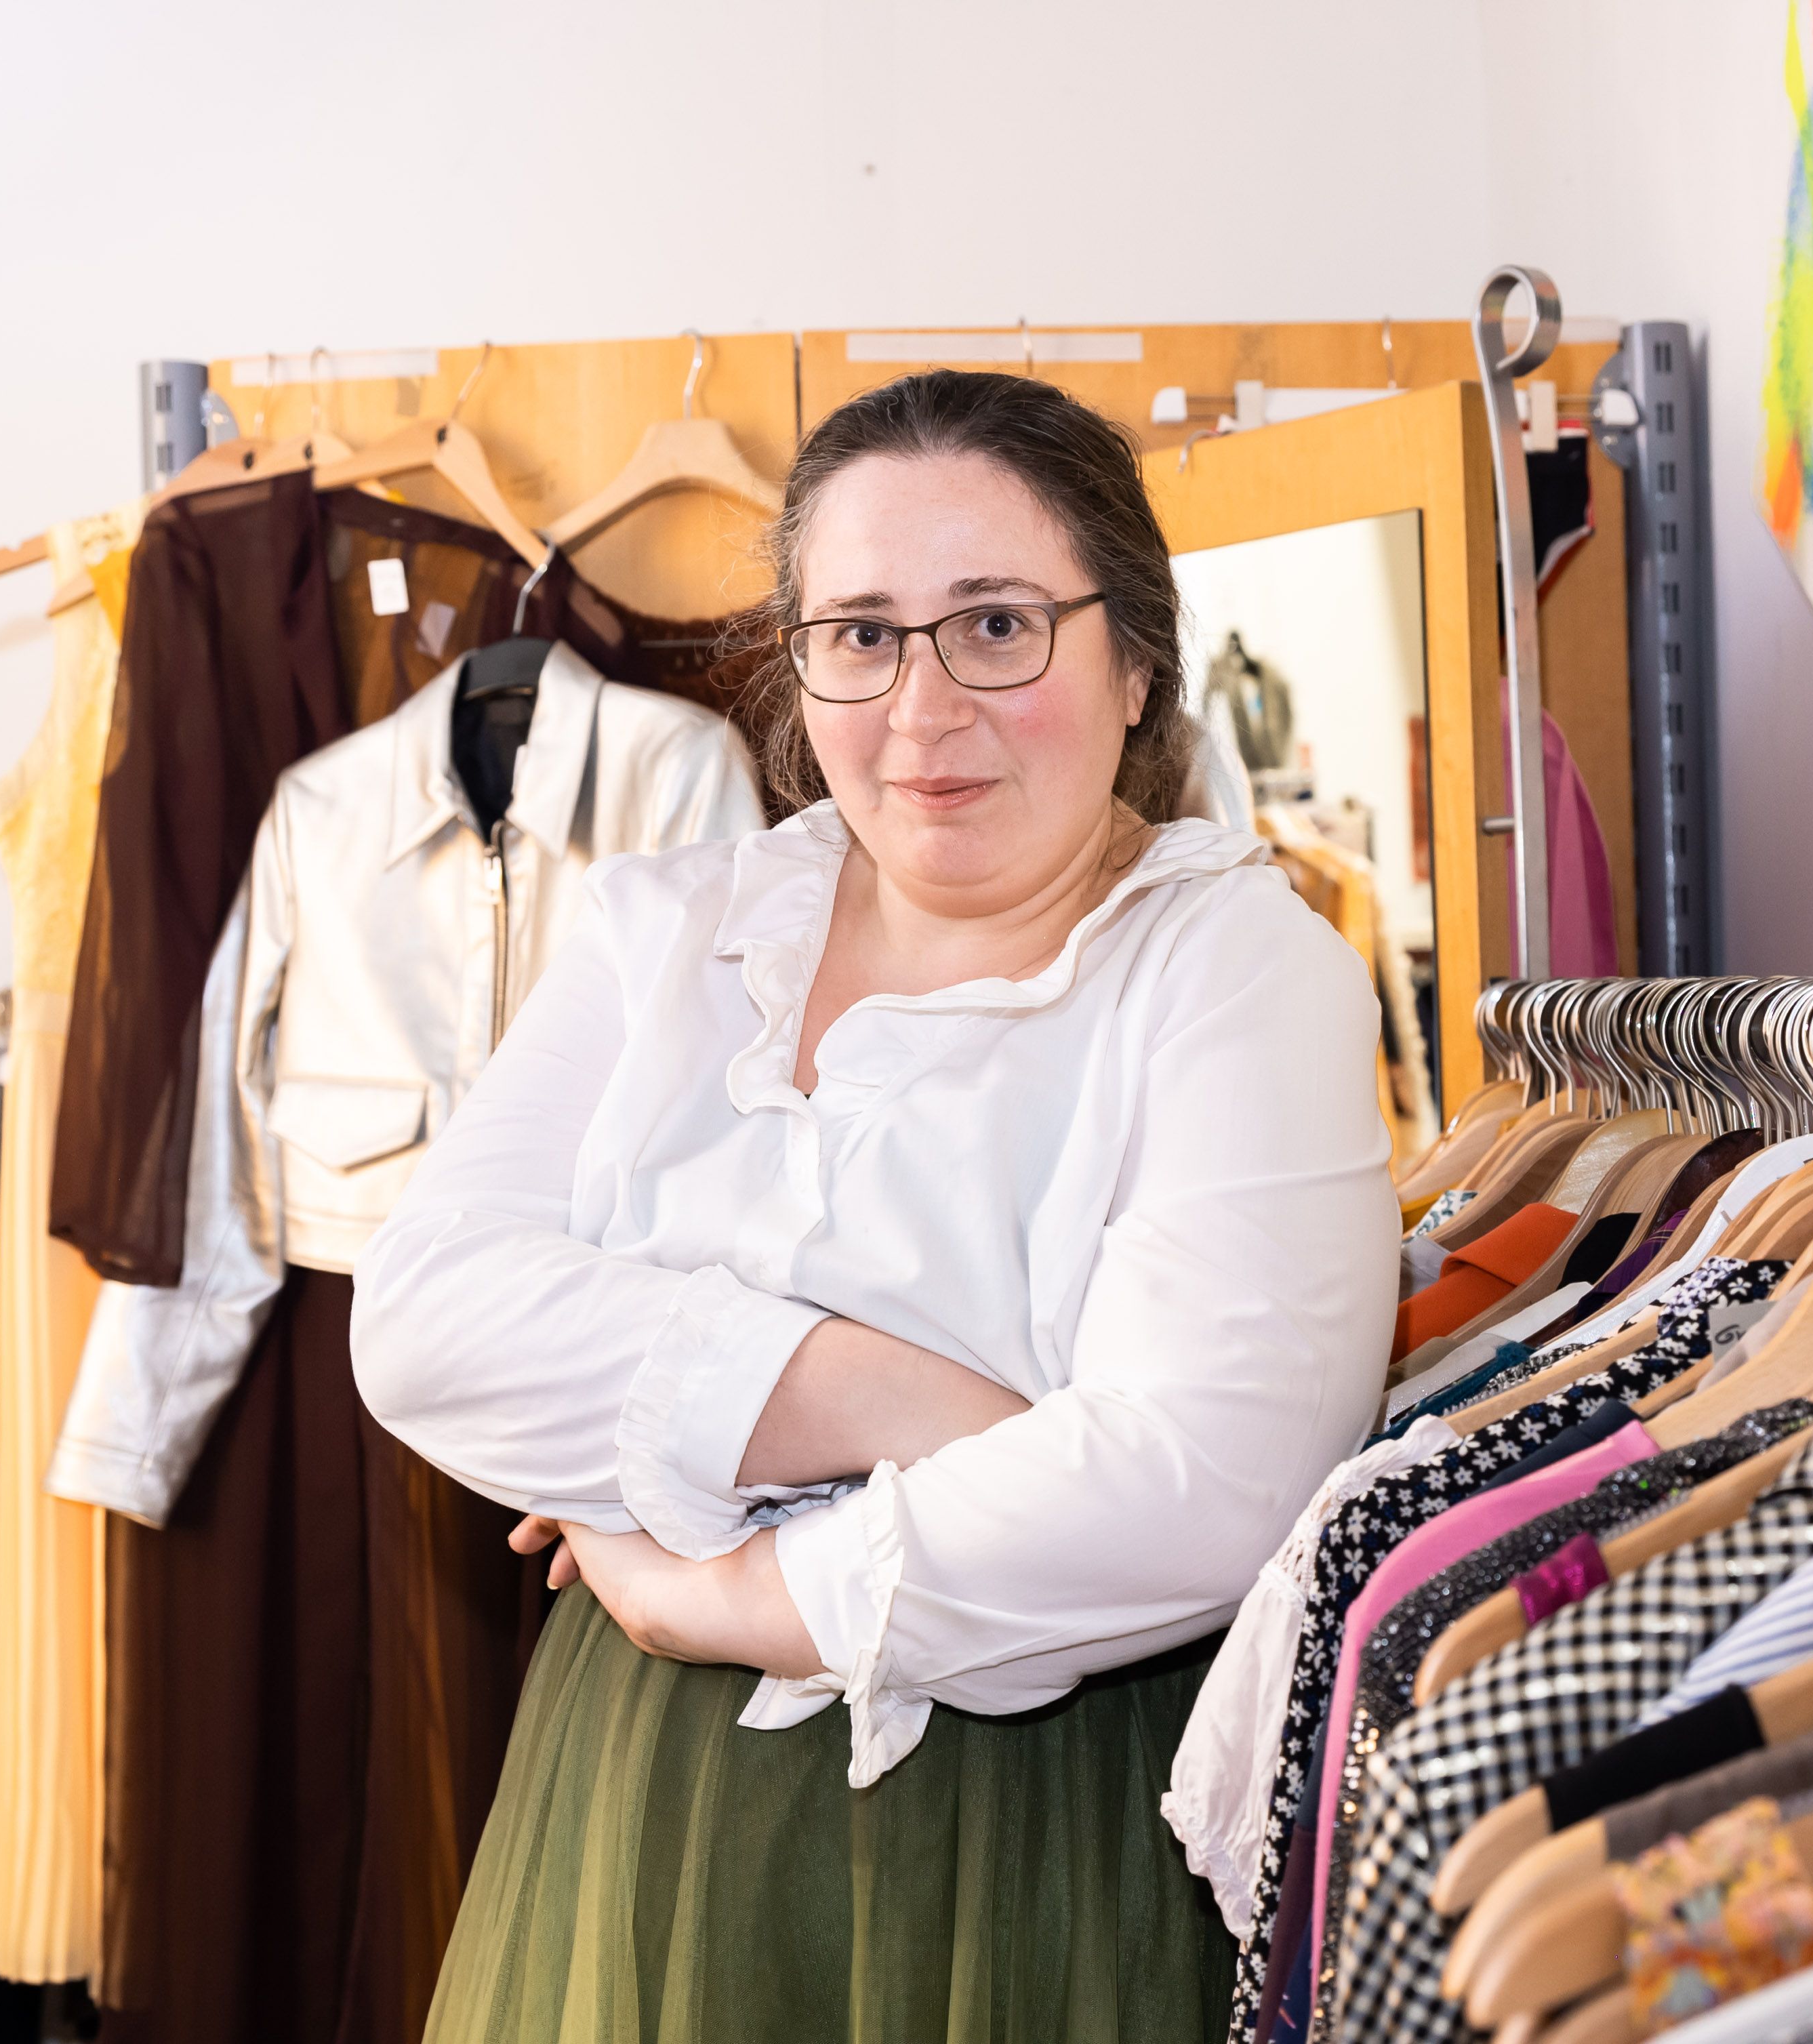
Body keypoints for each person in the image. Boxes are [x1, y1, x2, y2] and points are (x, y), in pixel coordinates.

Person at [351, 368, 1396, 2042]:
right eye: (858, 633)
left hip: (1015, 1847)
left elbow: (1201, 1484)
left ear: (1132, 655)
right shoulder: (665, 927)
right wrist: (906, 1398)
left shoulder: (1233, 970)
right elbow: (417, 1321)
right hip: (619, 1802)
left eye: (995, 624)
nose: (921, 707)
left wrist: (707, 1577)